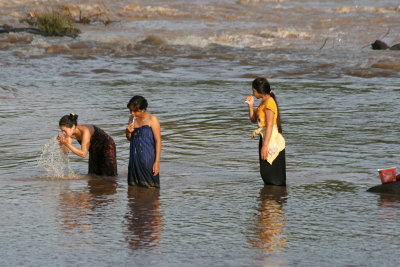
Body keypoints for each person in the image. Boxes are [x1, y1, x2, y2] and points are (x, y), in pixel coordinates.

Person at [246, 77, 286, 186]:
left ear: (260, 91)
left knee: (271, 174)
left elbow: (270, 126)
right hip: (265, 138)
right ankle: (270, 197)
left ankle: (275, 198)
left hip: (271, 140)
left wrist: (265, 145)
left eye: (254, 91)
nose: (253, 93)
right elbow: (254, 120)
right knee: (265, 172)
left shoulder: (269, 104)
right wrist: (250, 106)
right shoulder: (263, 102)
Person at [126, 96, 161, 187]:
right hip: (134, 158)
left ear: (143, 110)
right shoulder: (131, 119)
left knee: (152, 188)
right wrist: (128, 132)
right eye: (131, 111)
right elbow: (130, 138)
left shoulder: (152, 119)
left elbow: (158, 141)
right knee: (133, 189)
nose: (132, 113)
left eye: (135, 111)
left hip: (148, 158)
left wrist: (156, 162)